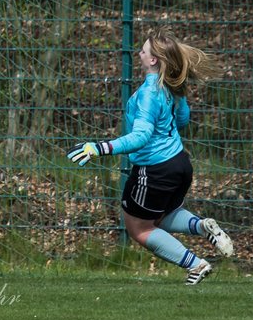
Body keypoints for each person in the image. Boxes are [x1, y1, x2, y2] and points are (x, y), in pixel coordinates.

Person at [67, 29, 232, 285]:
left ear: (153, 59)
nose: (139, 53)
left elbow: (141, 136)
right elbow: (183, 120)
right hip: (180, 165)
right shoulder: (170, 86)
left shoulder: (148, 92)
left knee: (139, 228)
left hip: (155, 170)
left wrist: (99, 147)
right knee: (161, 217)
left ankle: (196, 265)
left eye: (143, 50)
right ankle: (201, 227)